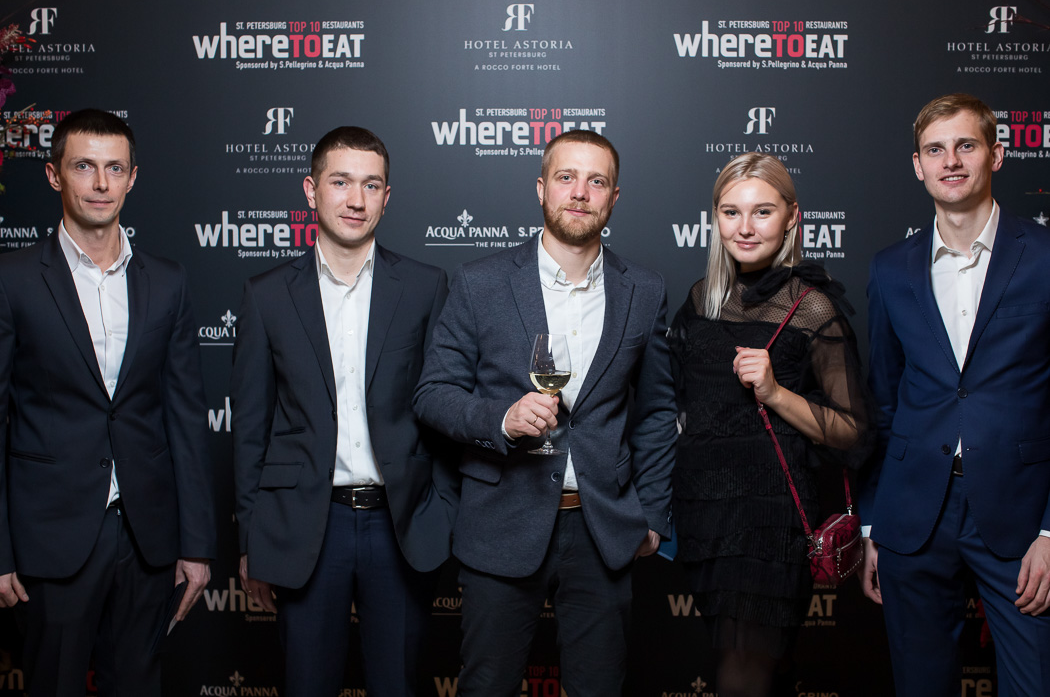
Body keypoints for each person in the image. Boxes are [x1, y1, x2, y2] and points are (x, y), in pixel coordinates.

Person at [413, 129, 677, 696]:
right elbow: (433, 393)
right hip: (501, 521)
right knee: (487, 687)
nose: (580, 192)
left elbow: (657, 413)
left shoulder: (644, 290)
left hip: (602, 529)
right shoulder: (480, 282)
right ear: (541, 189)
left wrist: (653, 515)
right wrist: (501, 420)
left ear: (613, 198)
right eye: (566, 177)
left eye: (596, 181)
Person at [231, 126, 457, 697]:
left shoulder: (425, 287)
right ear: (311, 190)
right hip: (307, 527)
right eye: (341, 182)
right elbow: (251, 429)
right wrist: (253, 539)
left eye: (371, 185)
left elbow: (445, 409)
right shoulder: (266, 295)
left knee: (398, 685)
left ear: (387, 197)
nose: (356, 199)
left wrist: (446, 513)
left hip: (401, 526)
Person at [0, 109, 215, 696]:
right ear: (54, 175)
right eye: (84, 167)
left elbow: (186, 420)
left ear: (132, 178)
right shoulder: (12, 280)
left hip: (147, 538)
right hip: (51, 537)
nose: (100, 183)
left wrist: (196, 545)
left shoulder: (167, 281)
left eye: (114, 169)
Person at [862, 93, 1050, 696]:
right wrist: (873, 524)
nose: (951, 161)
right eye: (935, 149)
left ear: (996, 154)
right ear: (918, 165)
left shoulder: (1045, 257)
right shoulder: (890, 269)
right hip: (914, 514)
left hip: (1022, 514)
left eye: (966, 145)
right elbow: (883, 403)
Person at [668, 152, 870, 697]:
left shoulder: (812, 308)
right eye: (731, 212)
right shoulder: (701, 300)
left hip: (770, 518)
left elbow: (852, 429)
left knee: (742, 674)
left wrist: (777, 394)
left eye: (762, 211)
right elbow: (681, 402)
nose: (745, 227)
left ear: (791, 217)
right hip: (706, 514)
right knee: (755, 668)